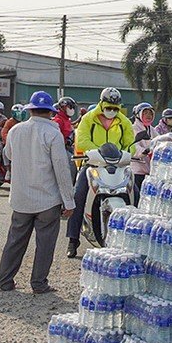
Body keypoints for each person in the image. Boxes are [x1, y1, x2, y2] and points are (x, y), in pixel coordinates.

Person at [0, 91, 75, 295]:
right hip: (47, 200)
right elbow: (61, 168)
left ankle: (5, 280)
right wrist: (68, 201)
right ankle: (39, 284)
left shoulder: (16, 130)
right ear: (50, 112)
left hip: (21, 198)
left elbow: (8, 155)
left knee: (15, 240)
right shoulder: (53, 133)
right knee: (45, 244)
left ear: (30, 110)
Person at [65, 88, 136, 258]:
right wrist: (94, 153)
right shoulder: (88, 119)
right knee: (78, 195)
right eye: (109, 107)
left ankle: (137, 236)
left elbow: (130, 143)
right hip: (92, 164)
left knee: (137, 194)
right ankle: (73, 239)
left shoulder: (124, 121)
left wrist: (127, 153)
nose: (112, 111)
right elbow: (81, 139)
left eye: (115, 108)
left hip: (118, 166)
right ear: (102, 104)